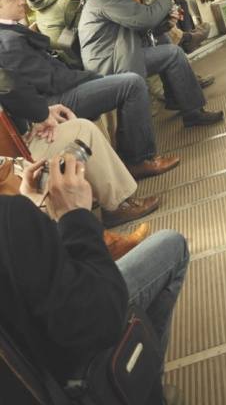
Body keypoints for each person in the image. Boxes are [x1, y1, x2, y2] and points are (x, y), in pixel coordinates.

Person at [0, 151, 188, 404]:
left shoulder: (13, 219)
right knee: (172, 247)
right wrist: (73, 215)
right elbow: (102, 313)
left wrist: (31, 220)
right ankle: (145, 389)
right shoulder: (10, 218)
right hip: (67, 370)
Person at [0, 0, 179, 178]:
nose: (21, 1)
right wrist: (89, 77)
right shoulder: (8, 41)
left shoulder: (12, 31)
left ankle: (129, 155)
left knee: (124, 80)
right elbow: (50, 81)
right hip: (53, 101)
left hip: (56, 91)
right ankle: (138, 160)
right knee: (132, 83)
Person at [78, 0, 223, 127]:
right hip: (109, 65)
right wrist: (166, 1)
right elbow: (143, 19)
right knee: (173, 54)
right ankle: (193, 112)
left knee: (163, 41)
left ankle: (177, 99)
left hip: (114, 56)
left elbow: (136, 29)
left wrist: (166, 23)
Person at [0, 68, 159, 227]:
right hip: (14, 157)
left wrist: (36, 117)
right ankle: (116, 205)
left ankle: (100, 194)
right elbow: (9, 85)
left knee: (80, 124)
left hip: (17, 139)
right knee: (83, 130)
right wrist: (41, 113)